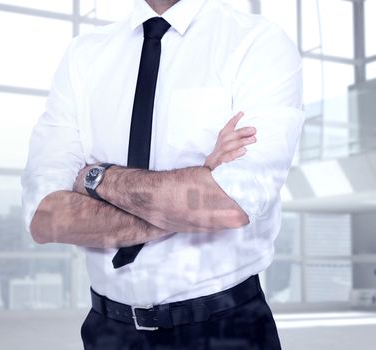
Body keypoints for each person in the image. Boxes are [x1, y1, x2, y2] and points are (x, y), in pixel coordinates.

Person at [22, 0, 303, 348]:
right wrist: (199, 183)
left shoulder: (257, 43)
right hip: (109, 332)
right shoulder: (84, 56)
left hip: (226, 329)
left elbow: (231, 204)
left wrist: (96, 178)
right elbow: (46, 218)